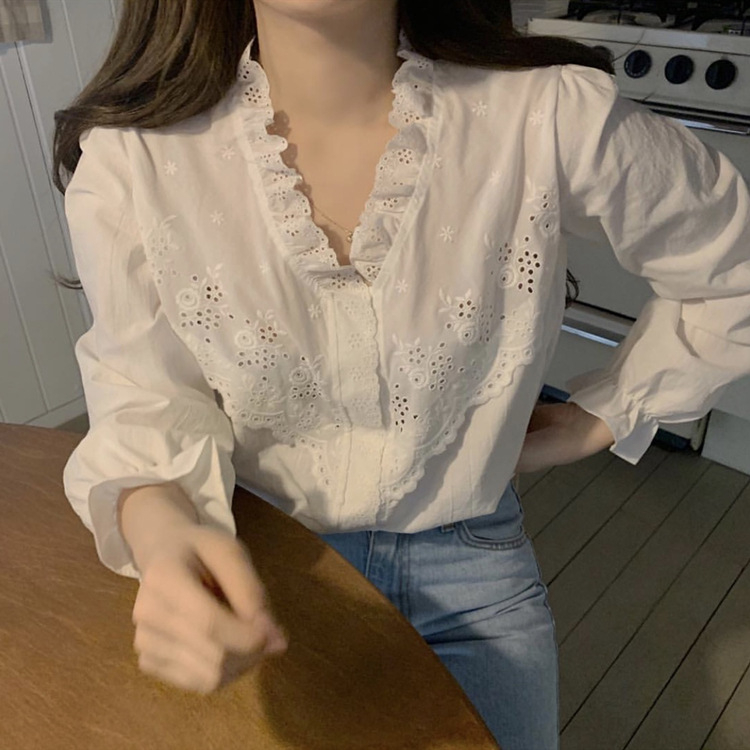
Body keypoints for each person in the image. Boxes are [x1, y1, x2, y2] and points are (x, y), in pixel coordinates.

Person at [52, 1, 750, 748]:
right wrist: (161, 535)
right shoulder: (133, 160)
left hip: (473, 581)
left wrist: (607, 412)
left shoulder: (548, 113)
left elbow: (732, 270)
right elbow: (144, 398)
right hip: (256, 569)